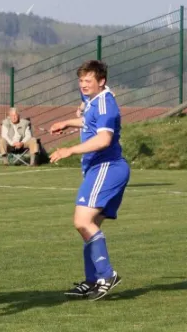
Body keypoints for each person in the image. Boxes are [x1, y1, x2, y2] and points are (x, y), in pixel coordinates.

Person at [49, 59, 129, 301]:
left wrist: (69, 150)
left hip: (107, 167)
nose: (83, 84)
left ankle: (106, 274)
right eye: (81, 80)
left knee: (82, 221)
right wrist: (67, 122)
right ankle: (92, 280)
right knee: (89, 226)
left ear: (101, 81)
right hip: (100, 169)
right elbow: (89, 122)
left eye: (88, 80)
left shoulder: (105, 103)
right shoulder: (94, 101)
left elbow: (104, 139)